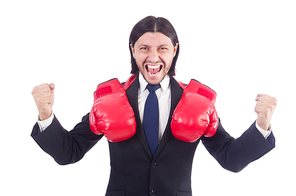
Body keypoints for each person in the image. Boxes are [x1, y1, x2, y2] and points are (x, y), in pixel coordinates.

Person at [31, 16, 276, 196]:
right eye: (144, 48)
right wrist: (45, 114)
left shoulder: (197, 103)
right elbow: (68, 152)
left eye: (162, 48)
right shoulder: (110, 100)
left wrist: (262, 125)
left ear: (174, 51)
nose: (153, 57)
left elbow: (230, 158)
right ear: (133, 51)